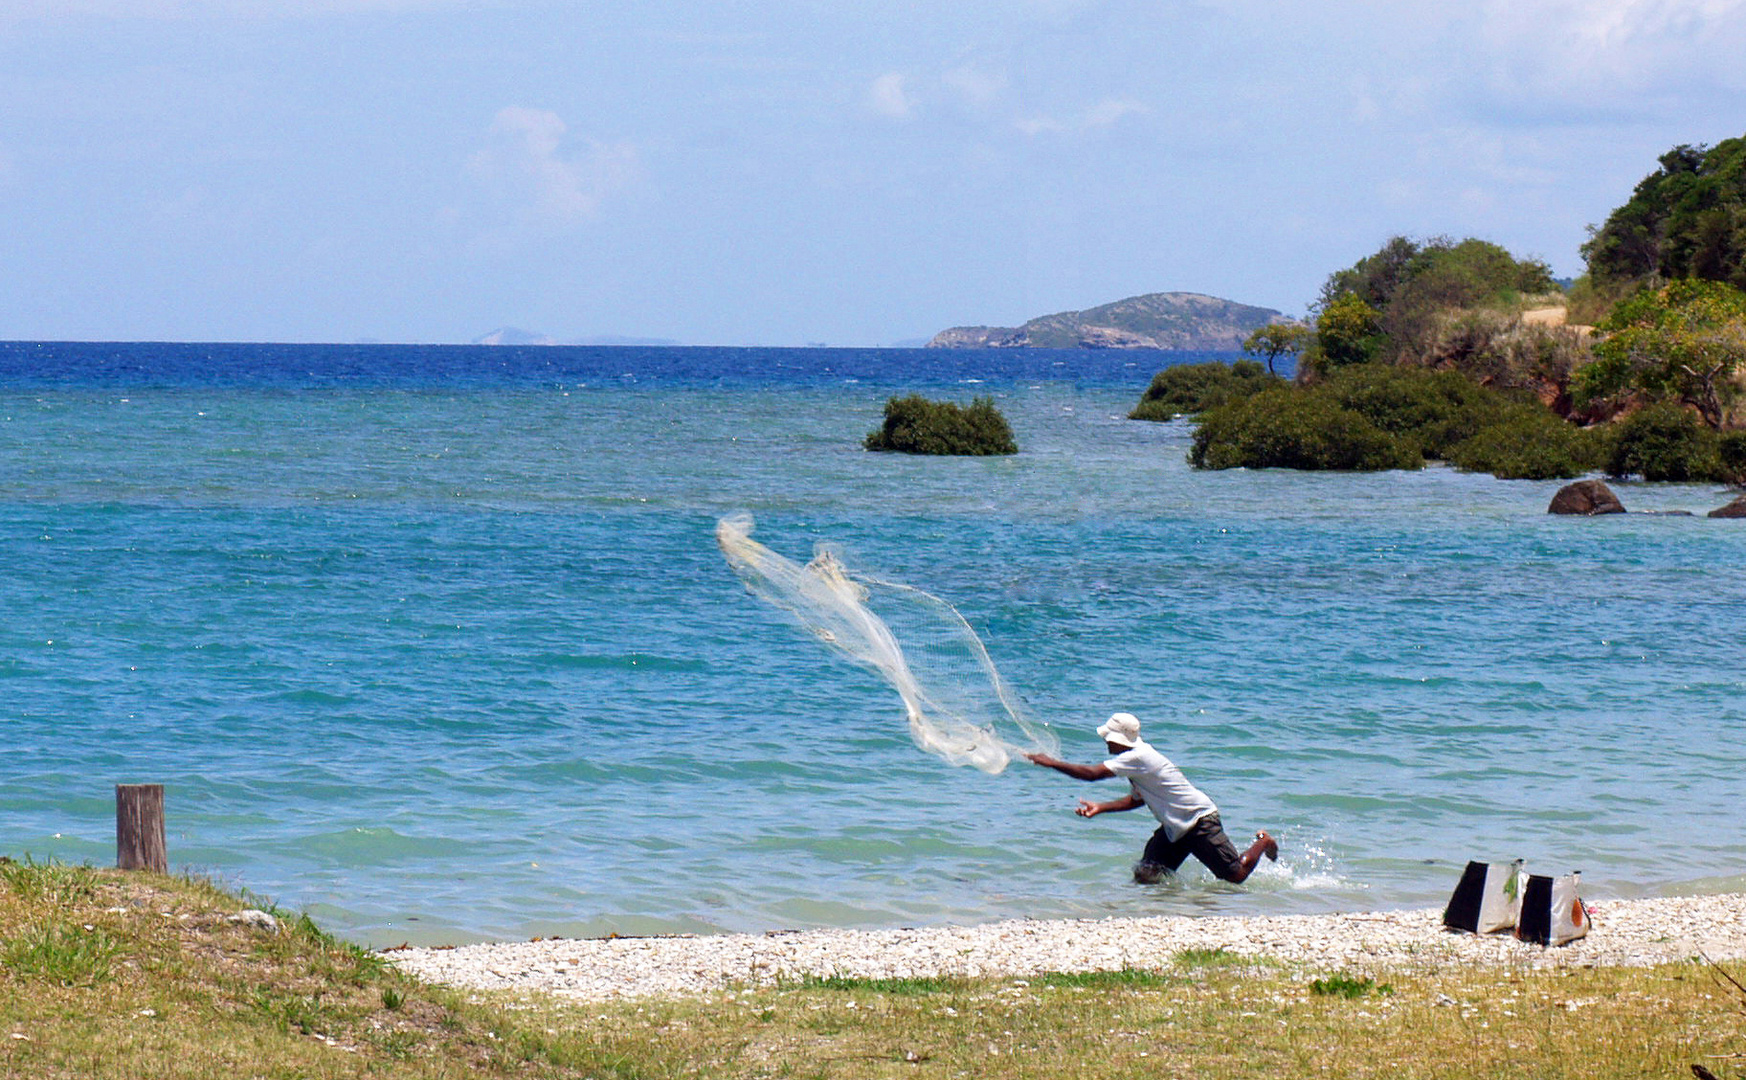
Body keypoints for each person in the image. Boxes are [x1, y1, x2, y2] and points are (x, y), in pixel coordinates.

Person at [1025, 711, 1278, 884]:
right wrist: (1101, 807)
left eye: (1108, 739)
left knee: (1234, 875)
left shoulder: (1138, 757)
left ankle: (1263, 841)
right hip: (1176, 826)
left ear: (1119, 740)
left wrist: (1050, 763)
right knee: (1147, 874)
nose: (1106, 743)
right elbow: (1137, 800)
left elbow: (1092, 774)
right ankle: (1160, 908)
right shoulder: (1136, 761)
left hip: (1199, 820)